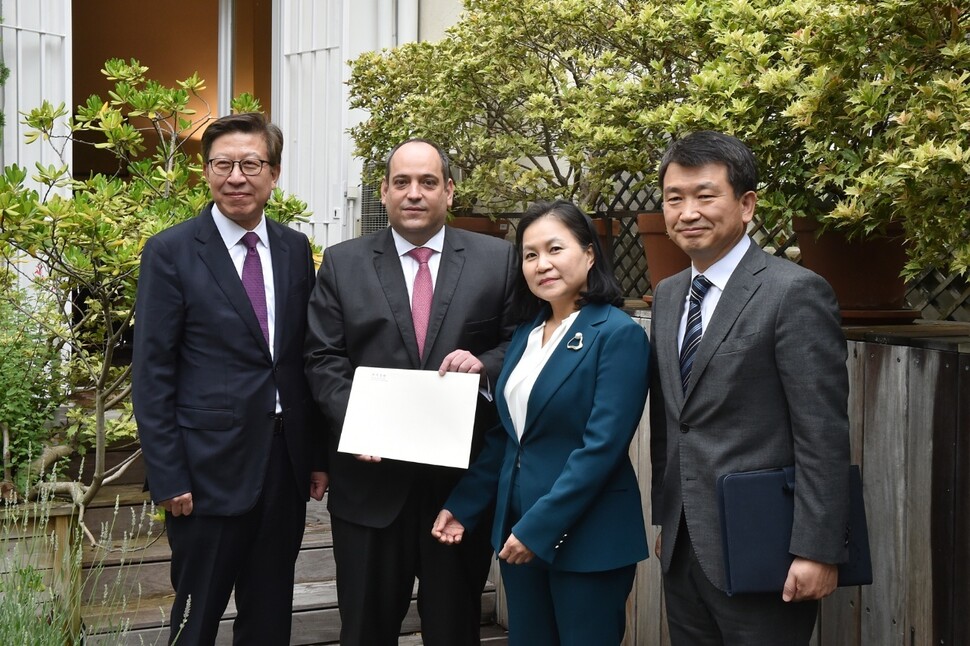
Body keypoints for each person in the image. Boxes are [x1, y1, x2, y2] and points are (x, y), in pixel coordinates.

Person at [303, 138, 517, 645]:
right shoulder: (342, 262)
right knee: (365, 629)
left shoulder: (498, 260)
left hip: (458, 491)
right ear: (384, 191)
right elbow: (322, 357)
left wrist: (484, 365)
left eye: (427, 182)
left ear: (449, 191)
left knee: (454, 629)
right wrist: (360, 424)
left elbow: (518, 344)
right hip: (369, 488)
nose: (414, 193)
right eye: (402, 182)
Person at [132, 112, 328, 645]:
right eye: (223, 164)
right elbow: (151, 371)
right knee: (196, 620)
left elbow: (297, 360)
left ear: (274, 172)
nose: (236, 177)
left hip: (282, 469)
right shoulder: (171, 251)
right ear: (206, 171)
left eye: (250, 163)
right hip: (204, 475)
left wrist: (314, 456)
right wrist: (168, 474)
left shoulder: (292, 249)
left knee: (269, 618)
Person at [649, 130, 851, 645]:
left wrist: (817, 549)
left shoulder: (793, 292)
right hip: (683, 549)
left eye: (704, 195)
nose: (687, 211)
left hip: (769, 548)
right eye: (675, 198)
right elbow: (672, 423)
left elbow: (822, 432)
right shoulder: (670, 295)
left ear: (746, 205)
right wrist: (665, 521)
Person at [432, 200, 651, 645]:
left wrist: (537, 528)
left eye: (555, 249)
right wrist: (464, 505)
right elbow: (508, 437)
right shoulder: (529, 335)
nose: (542, 264)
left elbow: (601, 449)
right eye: (530, 255)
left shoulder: (617, 333)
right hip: (519, 535)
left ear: (589, 254)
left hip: (586, 538)